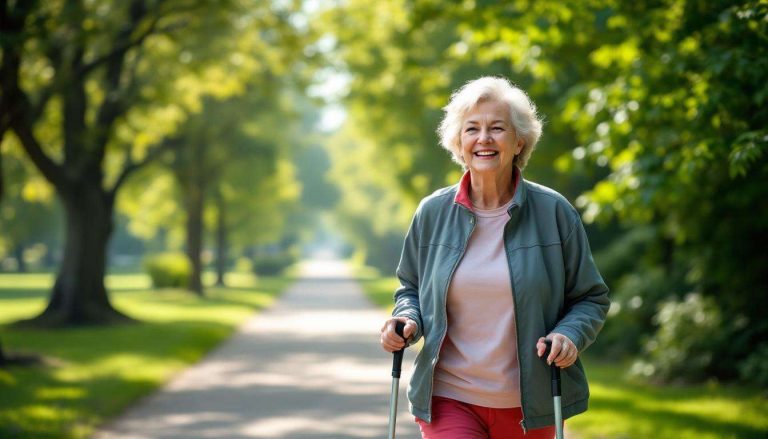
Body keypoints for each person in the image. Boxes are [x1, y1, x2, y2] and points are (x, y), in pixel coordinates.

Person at [379, 76, 610, 438]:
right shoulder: (433, 213)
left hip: (531, 403)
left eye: (497, 128)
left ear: (519, 141)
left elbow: (590, 297)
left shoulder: (554, 213)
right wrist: (406, 319)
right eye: (472, 128)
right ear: (458, 142)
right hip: (449, 397)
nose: (483, 138)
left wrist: (569, 335)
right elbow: (411, 287)